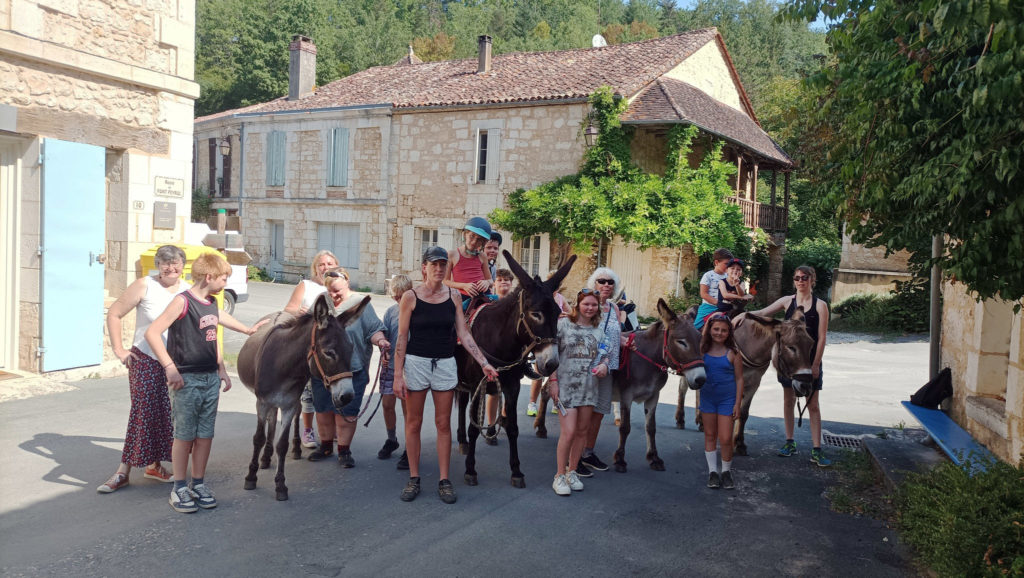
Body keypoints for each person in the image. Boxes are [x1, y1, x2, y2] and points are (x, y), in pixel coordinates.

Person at [145, 253, 261, 513]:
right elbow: (152, 332)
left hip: (209, 379)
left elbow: (216, 327)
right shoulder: (182, 302)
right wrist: (170, 367)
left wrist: (226, 361)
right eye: (223, 278)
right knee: (184, 435)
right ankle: (180, 488)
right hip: (186, 379)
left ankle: (198, 483)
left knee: (205, 434)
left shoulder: (211, 302)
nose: (225, 282)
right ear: (209, 277)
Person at [393, 246, 498, 504]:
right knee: (414, 423)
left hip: (445, 364)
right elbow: (402, 336)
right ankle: (414, 477)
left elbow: (464, 334)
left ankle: (443, 479)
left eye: (442, 264)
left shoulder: (453, 296)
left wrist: (483, 361)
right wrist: (398, 374)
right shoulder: (410, 297)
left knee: (443, 424)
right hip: (416, 362)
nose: (439, 269)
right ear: (424, 268)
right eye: (434, 264)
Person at [98, 245, 189, 493]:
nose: (171, 268)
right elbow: (114, 313)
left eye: (176, 263)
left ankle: (154, 466)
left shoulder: (187, 290)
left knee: (165, 413)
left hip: (176, 362)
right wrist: (119, 349)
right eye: (165, 263)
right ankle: (122, 472)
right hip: (146, 359)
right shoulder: (144, 285)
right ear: (157, 265)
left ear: (183, 265)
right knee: (143, 411)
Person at [749, 265, 832, 467]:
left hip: (809, 361)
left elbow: (821, 338)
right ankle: (789, 442)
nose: (800, 281)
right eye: (797, 278)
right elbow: (762, 312)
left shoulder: (820, 306)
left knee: (813, 405)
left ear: (812, 279)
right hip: (790, 362)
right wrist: (742, 316)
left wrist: (815, 365)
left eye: (804, 277)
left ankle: (816, 449)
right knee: (788, 401)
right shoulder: (787, 302)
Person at [307, 267, 388, 469]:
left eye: (338, 291)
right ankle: (325, 446)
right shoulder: (321, 303)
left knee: (347, 413)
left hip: (351, 371)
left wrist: (381, 341)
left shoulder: (360, 305)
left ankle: (344, 450)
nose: (333, 296)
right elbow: (307, 330)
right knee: (323, 409)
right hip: (324, 371)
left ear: (347, 285)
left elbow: (374, 329)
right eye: (330, 291)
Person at [548, 289, 604, 495]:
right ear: (578, 305)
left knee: (582, 431)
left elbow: (604, 354)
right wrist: (552, 381)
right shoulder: (563, 325)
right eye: (586, 304)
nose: (590, 308)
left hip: (589, 387)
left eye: (594, 305)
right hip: (566, 386)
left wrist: (605, 365)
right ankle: (559, 475)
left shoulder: (599, 330)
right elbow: (552, 355)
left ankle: (573, 472)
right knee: (569, 432)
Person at [283, 250, 340, 449]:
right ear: (315, 267)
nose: (326, 267)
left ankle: (330, 431)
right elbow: (288, 309)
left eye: (330, 264)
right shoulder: (305, 286)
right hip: (307, 348)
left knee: (330, 389)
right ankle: (307, 430)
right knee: (308, 393)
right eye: (322, 264)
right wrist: (300, 313)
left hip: (330, 349)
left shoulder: (338, 286)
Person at [576, 267, 623, 478]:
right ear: (594, 283)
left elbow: (615, 336)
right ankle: (574, 458)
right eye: (602, 281)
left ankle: (588, 452)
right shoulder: (588, 304)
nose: (606, 285)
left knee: (598, 412)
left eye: (610, 282)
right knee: (583, 413)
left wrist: (627, 342)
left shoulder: (614, 309)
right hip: (587, 366)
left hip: (608, 367)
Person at [699, 313, 745, 490]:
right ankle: (712, 472)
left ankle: (726, 471)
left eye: (724, 330)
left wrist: (737, 404)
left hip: (727, 400)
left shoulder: (733, 353)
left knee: (726, 438)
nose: (719, 333)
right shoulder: (702, 351)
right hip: (707, 398)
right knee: (710, 435)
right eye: (716, 329)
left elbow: (740, 379)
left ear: (729, 333)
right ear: (709, 330)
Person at [527, 270, 571, 417]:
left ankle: (555, 401)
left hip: (556, 336)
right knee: (539, 373)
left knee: (556, 372)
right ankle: (532, 403)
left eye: (558, 283)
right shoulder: (541, 297)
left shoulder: (560, 298)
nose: (556, 286)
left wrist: (565, 315)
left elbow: (571, 314)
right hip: (542, 337)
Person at [379, 274, 412, 465]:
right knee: (387, 404)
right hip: (390, 367)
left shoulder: (416, 311)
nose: (397, 300)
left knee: (408, 410)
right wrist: (383, 350)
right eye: (395, 296)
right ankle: (392, 439)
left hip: (408, 368)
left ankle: (410, 446)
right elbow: (385, 335)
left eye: (401, 296)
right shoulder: (391, 312)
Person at [482, 267, 515, 444]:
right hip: (493, 354)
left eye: (507, 280)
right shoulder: (489, 303)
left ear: (511, 284)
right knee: (494, 392)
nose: (503, 283)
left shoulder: (516, 304)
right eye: (500, 280)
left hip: (511, 354)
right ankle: (491, 425)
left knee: (510, 390)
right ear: (494, 283)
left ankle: (504, 417)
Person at [444, 216, 494, 311]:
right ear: (465, 234)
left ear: (483, 243)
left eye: (479, 239)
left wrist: (486, 282)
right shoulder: (452, 254)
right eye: (472, 236)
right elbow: (445, 281)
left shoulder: (482, 256)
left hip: (484, 295)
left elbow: (491, 280)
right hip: (462, 296)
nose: (474, 241)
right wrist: (464, 286)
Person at [694, 248, 734, 330]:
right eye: (726, 264)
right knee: (697, 327)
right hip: (709, 306)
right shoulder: (708, 275)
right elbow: (703, 294)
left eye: (730, 264)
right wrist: (718, 303)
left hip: (726, 306)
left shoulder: (728, 277)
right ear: (716, 262)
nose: (728, 267)